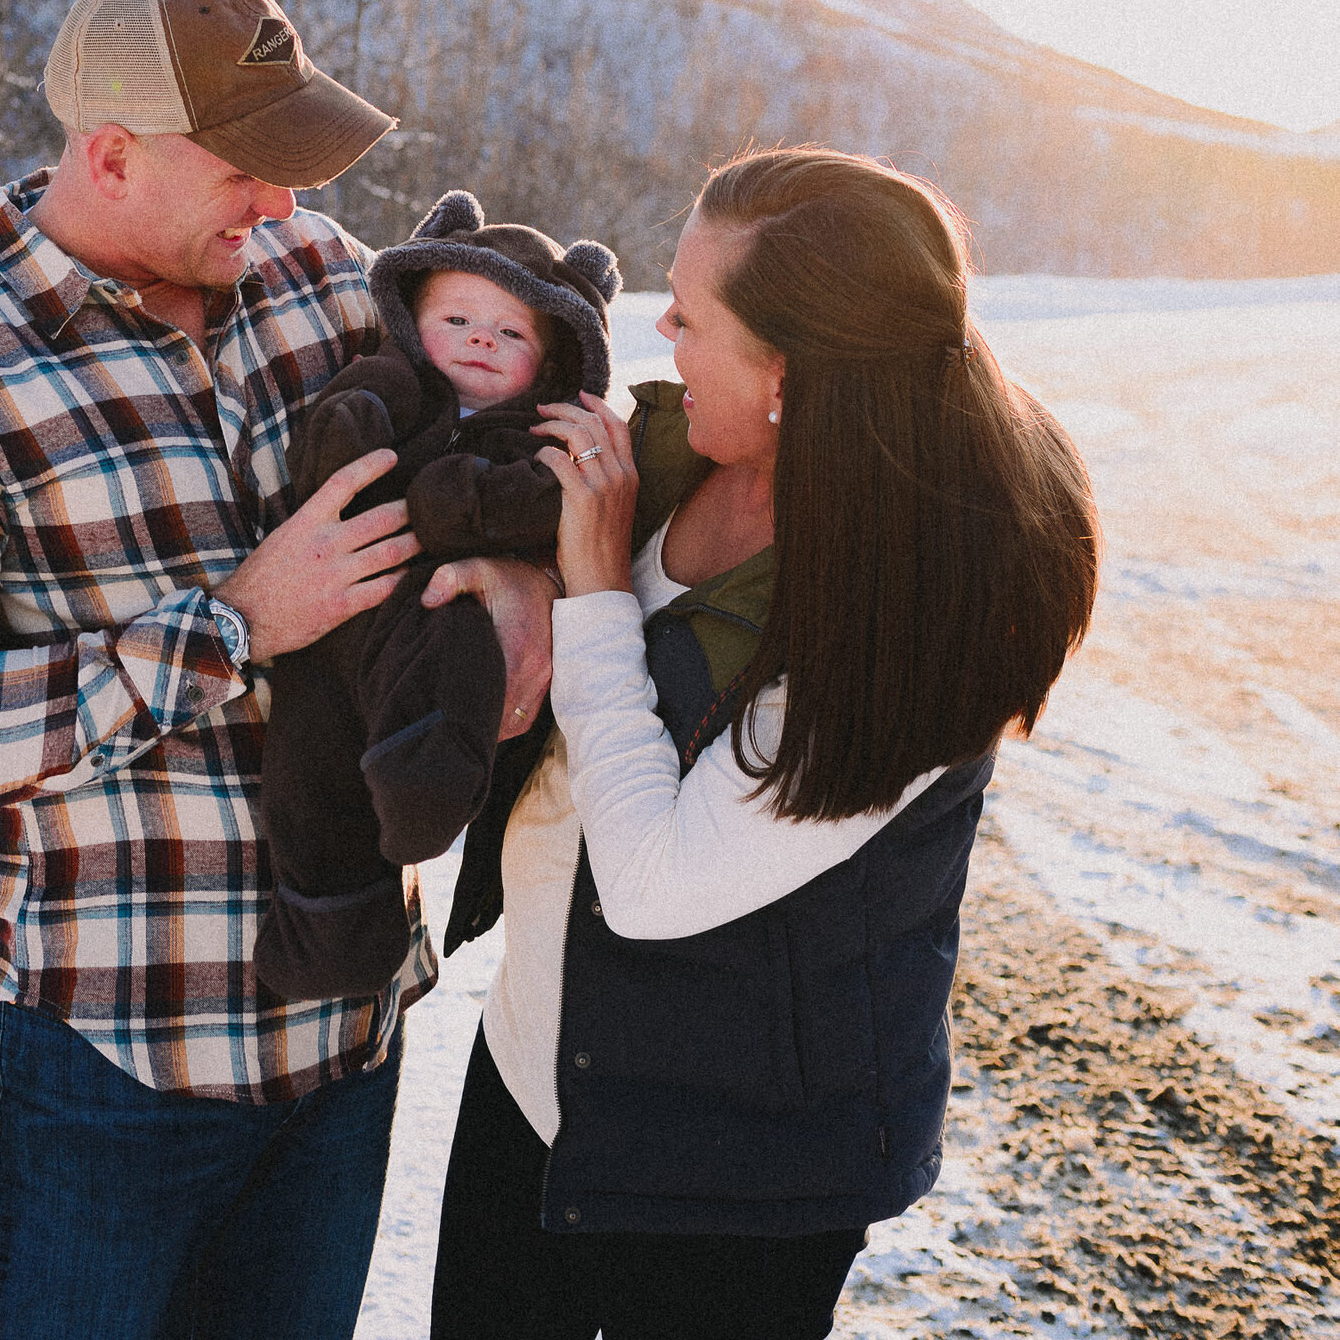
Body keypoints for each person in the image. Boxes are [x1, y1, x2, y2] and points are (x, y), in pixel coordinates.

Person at [0, 0, 555, 1340]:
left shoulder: (321, 279)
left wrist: (512, 568)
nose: (284, 203)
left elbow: (473, 443)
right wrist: (229, 624)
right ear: (109, 155)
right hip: (93, 1063)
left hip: (340, 1042)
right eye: (247, 171)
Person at [427, 147, 1101, 1340]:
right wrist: (512, 570)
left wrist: (586, 586)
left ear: (792, 371)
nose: (659, 330)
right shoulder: (681, 438)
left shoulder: (929, 611)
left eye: (691, 315)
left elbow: (649, 883)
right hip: (535, 1070)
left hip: (731, 1173)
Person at [254, 189, 620, 1002]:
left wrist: (472, 503)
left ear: (553, 360)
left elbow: (547, 504)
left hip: (436, 617)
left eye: (512, 332)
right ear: (413, 321)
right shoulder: (386, 383)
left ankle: (427, 777)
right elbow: (329, 458)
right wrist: (350, 425)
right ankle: (329, 940)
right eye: (456, 320)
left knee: (455, 652)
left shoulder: (541, 435)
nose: (481, 338)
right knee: (307, 773)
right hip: (328, 631)